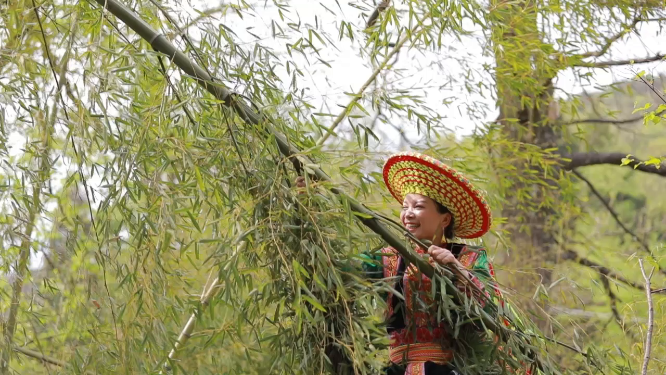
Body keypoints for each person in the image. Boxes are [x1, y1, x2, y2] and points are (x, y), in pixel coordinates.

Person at [361, 151, 502, 375]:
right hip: (395, 368)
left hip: (447, 368)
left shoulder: (468, 258)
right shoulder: (387, 256)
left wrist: (458, 270)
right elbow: (340, 273)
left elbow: (491, 313)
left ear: (445, 219)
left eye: (418, 207)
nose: (407, 214)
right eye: (405, 207)